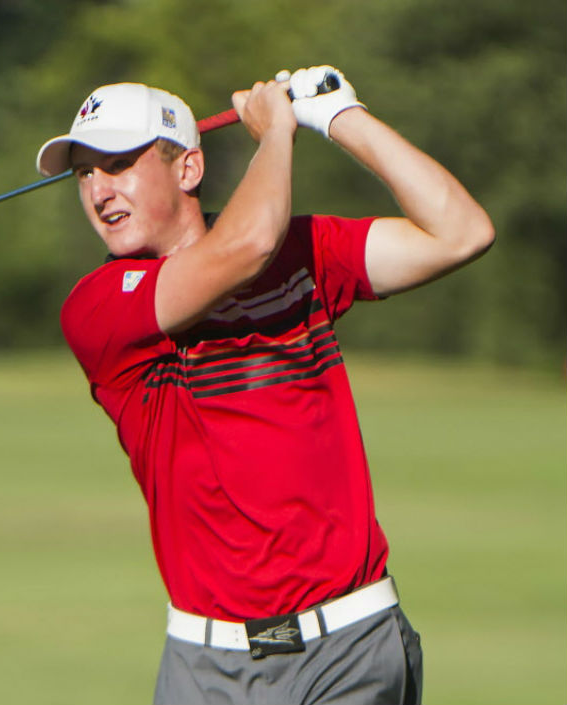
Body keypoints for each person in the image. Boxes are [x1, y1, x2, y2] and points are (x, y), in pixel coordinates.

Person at [35, 67, 494, 705]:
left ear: (188, 168)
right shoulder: (100, 307)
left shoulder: (302, 254)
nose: (98, 190)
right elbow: (244, 245)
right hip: (205, 665)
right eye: (84, 173)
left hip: (352, 647)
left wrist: (339, 117)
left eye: (117, 164)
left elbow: (462, 232)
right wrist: (276, 134)